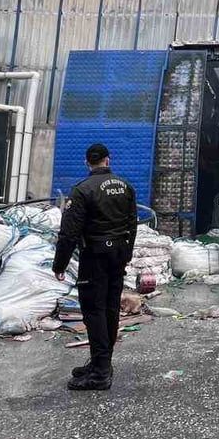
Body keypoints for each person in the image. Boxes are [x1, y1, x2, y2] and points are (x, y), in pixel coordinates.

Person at [53, 143, 137, 391]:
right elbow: (132, 223)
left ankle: (100, 372)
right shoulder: (125, 187)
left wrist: (60, 264)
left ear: (87, 162)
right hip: (118, 255)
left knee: (94, 310)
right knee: (110, 308)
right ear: (108, 161)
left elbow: (69, 233)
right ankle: (102, 362)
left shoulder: (82, 190)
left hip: (95, 257)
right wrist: (127, 253)